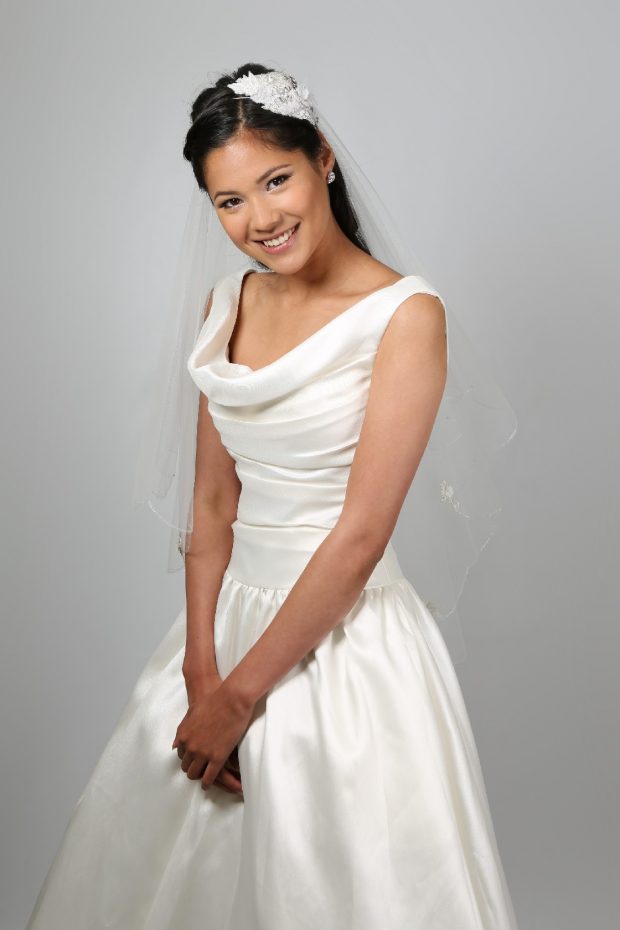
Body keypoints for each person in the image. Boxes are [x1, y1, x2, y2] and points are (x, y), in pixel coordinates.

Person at [25, 63, 520, 929]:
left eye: (276, 180)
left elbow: (361, 536)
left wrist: (241, 698)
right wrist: (199, 671)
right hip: (220, 636)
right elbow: (213, 505)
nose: (259, 220)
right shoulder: (228, 304)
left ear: (323, 158)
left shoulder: (405, 316)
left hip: (347, 642)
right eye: (229, 201)